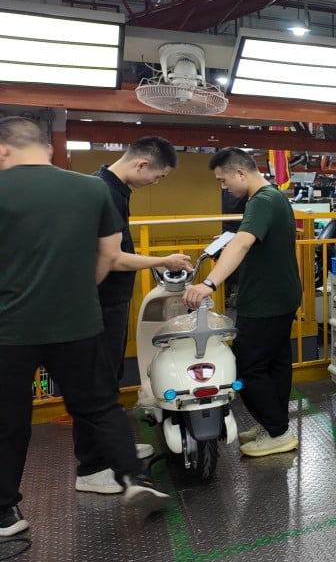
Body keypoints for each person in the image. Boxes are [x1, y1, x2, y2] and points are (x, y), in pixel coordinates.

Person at [0, 117, 170, 538]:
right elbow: (108, 257)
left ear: (3, 150)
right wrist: (75, 293)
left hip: (9, 329)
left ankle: (5, 513)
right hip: (77, 320)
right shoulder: (92, 188)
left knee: (9, 419)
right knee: (98, 405)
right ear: (49, 150)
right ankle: (134, 478)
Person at [74, 137, 194, 495]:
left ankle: (115, 451)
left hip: (112, 300)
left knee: (108, 378)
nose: (156, 183)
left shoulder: (116, 189)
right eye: (158, 176)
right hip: (98, 302)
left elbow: (119, 249)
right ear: (142, 165)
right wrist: (163, 260)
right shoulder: (104, 191)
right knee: (95, 384)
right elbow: (113, 258)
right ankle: (91, 468)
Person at [182, 147, 302, 458]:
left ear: (240, 172)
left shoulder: (261, 201)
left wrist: (209, 283)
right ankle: (275, 425)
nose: (225, 188)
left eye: (223, 181)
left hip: (265, 301)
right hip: (281, 296)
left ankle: (277, 431)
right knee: (275, 364)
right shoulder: (273, 197)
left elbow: (244, 241)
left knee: (247, 367)